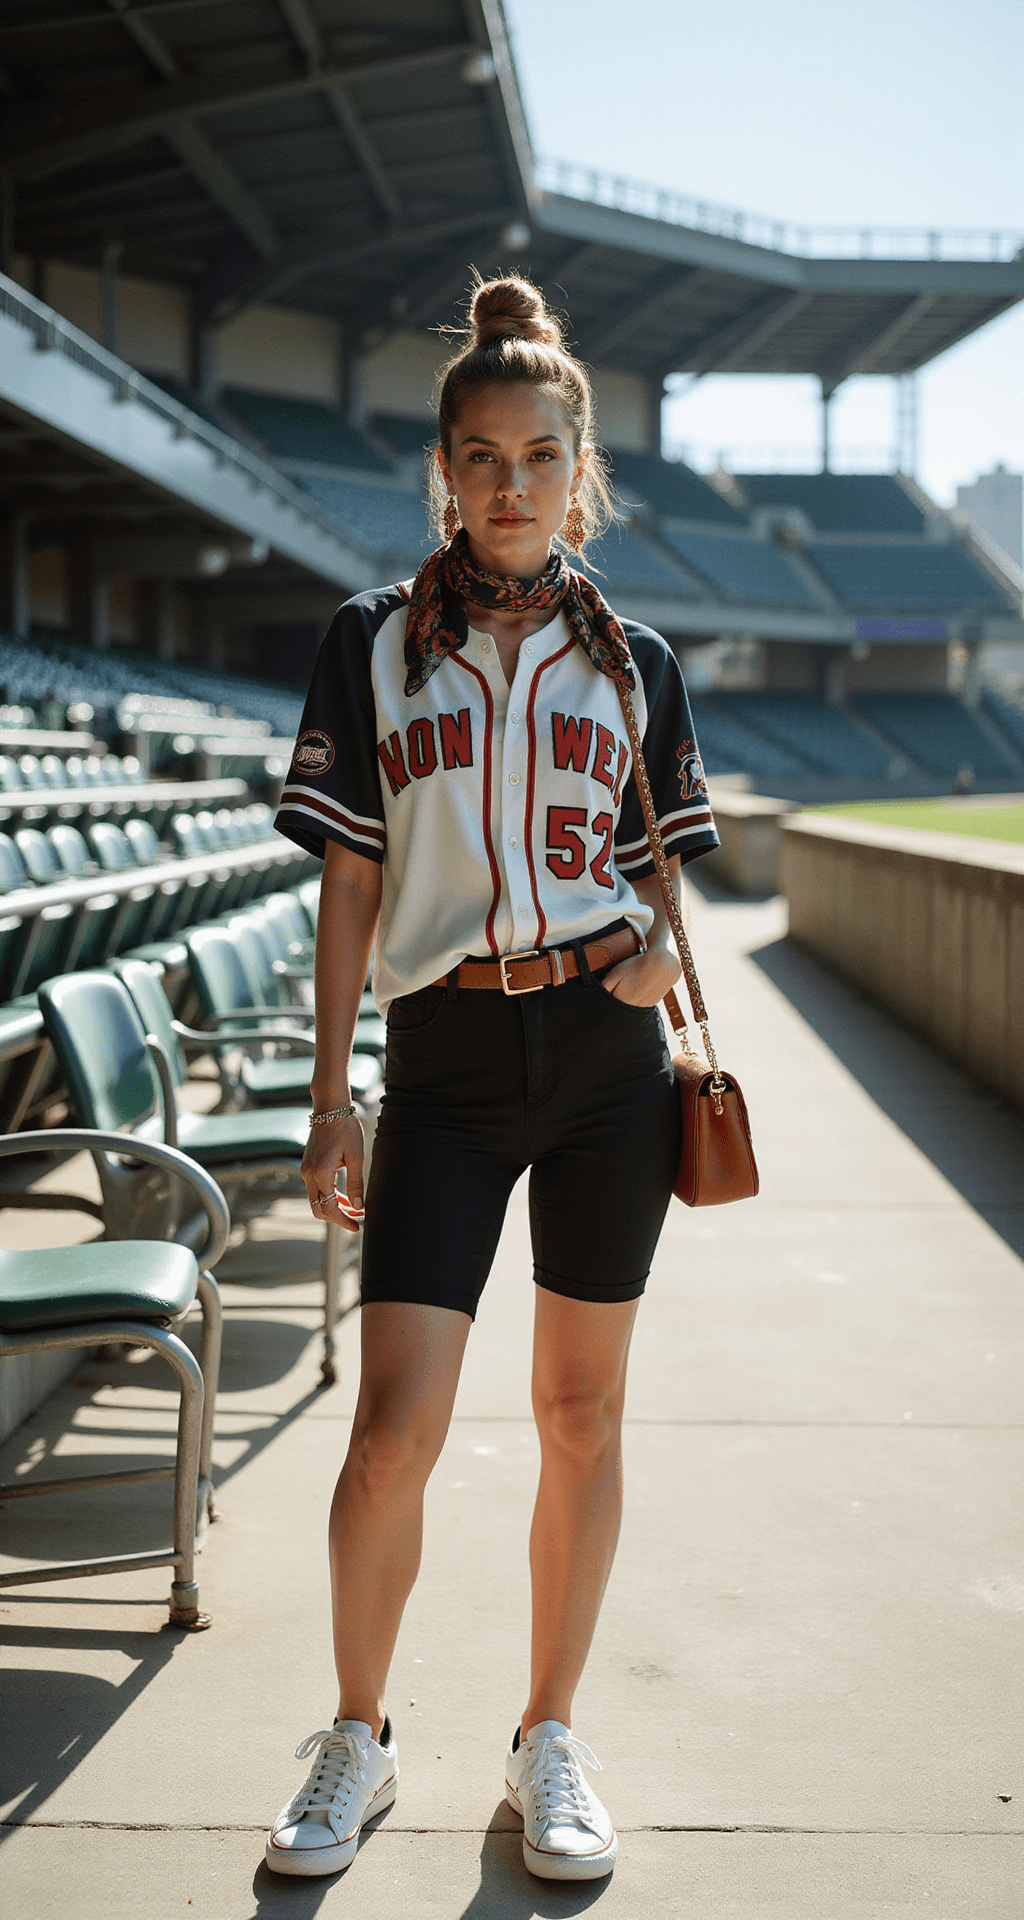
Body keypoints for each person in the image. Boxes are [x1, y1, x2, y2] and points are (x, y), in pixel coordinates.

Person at [267, 275, 719, 1883]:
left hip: (604, 1059)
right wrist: (333, 1093)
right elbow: (346, 890)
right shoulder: (371, 647)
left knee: (581, 1418)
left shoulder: (638, 659)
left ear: (576, 472)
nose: (512, 483)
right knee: (393, 1430)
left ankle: (547, 1738)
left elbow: (668, 873)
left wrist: (661, 954)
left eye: (541, 455)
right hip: (445, 1057)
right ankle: (357, 1739)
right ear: (443, 474)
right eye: (482, 455)